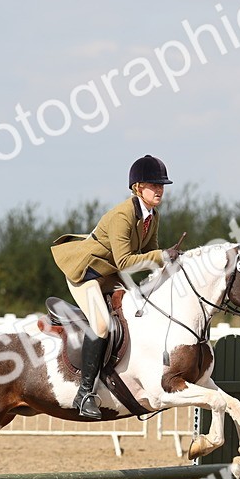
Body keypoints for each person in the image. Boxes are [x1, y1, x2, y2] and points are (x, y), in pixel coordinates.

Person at [50, 154, 182, 419]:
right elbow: (125, 260)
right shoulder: (122, 215)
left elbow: (150, 252)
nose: (159, 190)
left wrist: (170, 266)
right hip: (86, 271)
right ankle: (84, 393)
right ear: (137, 188)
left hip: (110, 273)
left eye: (161, 185)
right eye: (153, 185)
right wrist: (160, 257)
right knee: (100, 325)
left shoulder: (152, 215)